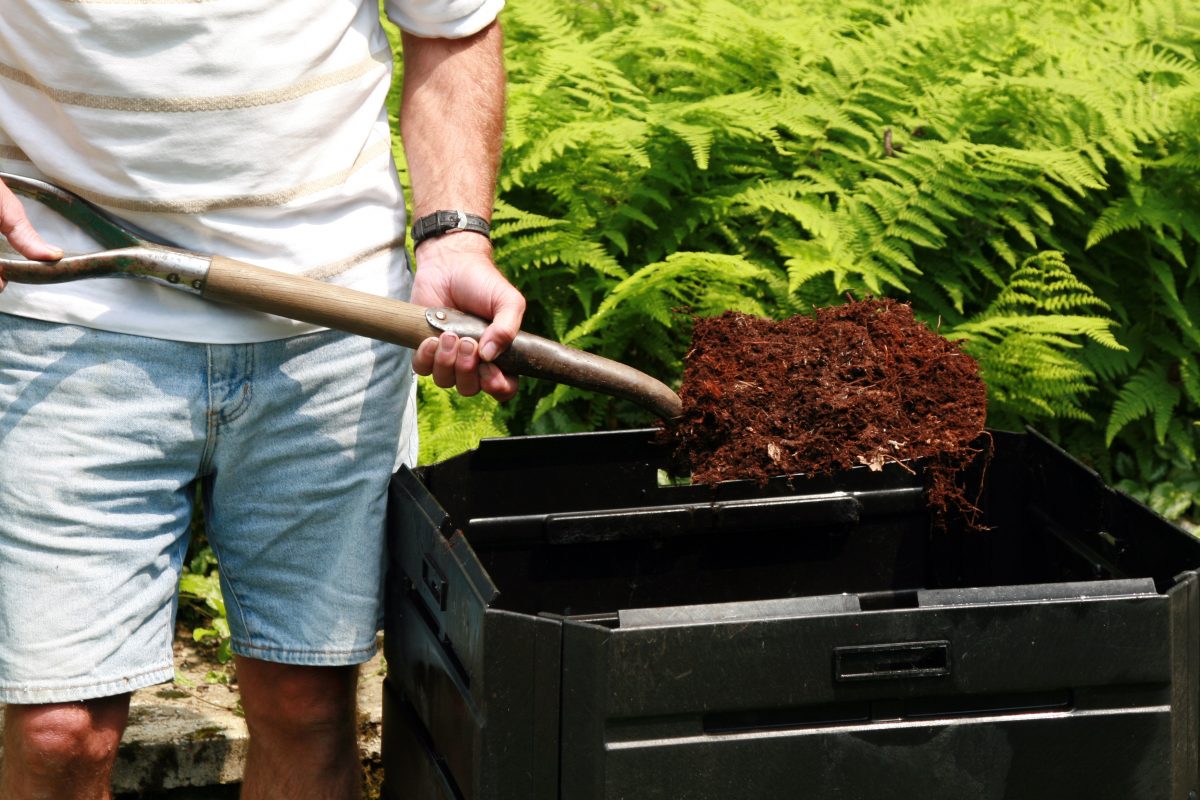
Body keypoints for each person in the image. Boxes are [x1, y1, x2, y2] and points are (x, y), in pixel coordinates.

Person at [0, 1, 524, 798]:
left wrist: (453, 233)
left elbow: (450, 26)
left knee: (306, 705)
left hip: (333, 319)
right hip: (65, 308)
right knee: (56, 735)